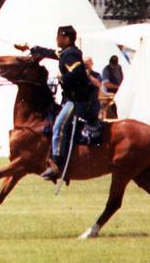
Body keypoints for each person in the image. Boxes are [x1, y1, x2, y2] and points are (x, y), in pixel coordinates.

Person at [30, 25, 100, 182]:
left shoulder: (71, 55)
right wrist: (33, 48)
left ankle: (57, 165)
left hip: (77, 101)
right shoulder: (67, 53)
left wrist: (61, 79)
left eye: (58, 36)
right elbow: (51, 53)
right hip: (73, 99)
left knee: (58, 126)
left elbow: (78, 73)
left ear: (66, 38)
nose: (56, 39)